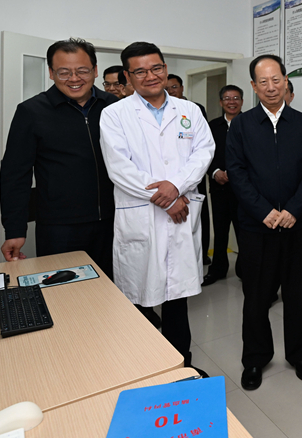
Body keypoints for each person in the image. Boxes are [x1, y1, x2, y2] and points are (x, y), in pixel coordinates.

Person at [99, 42, 214, 370]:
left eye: (157, 68)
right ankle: (144, 370)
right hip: (142, 216)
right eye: (140, 71)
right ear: (127, 76)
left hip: (180, 214)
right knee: (139, 301)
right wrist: (168, 198)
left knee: (177, 302)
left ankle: (182, 368)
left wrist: (176, 187)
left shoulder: (189, 111)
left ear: (165, 68)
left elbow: (204, 152)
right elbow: (119, 168)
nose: (150, 76)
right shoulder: (115, 114)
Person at [224, 54, 302, 391]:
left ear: (285, 80)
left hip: (295, 224)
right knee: (256, 295)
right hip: (256, 226)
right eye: (263, 82)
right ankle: (255, 358)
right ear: (254, 86)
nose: (270, 87)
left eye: (276, 79)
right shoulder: (242, 125)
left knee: (296, 292)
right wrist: (263, 211)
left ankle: (299, 354)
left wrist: (293, 209)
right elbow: (236, 172)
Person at [0, 38, 119, 278]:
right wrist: (14, 230)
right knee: (65, 294)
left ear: (95, 70)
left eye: (82, 70)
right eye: (64, 72)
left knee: (113, 292)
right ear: (51, 73)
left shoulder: (114, 107)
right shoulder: (31, 111)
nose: (74, 79)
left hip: (114, 222)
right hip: (60, 228)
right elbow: (15, 175)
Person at [166, 73, 210, 264]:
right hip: (166, 184)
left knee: (199, 216)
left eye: (174, 87)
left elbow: (203, 146)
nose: (171, 91)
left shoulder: (194, 109)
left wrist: (181, 183)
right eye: (167, 88)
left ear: (182, 88)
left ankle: (203, 255)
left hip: (192, 177)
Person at [202, 84, 244, 285]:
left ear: (242, 101)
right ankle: (218, 269)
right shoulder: (211, 126)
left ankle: (245, 270)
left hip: (244, 189)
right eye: (227, 98)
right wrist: (214, 172)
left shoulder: (250, 123)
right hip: (219, 187)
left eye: (236, 98)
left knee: (244, 231)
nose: (231, 102)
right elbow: (203, 154)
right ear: (221, 102)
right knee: (220, 231)